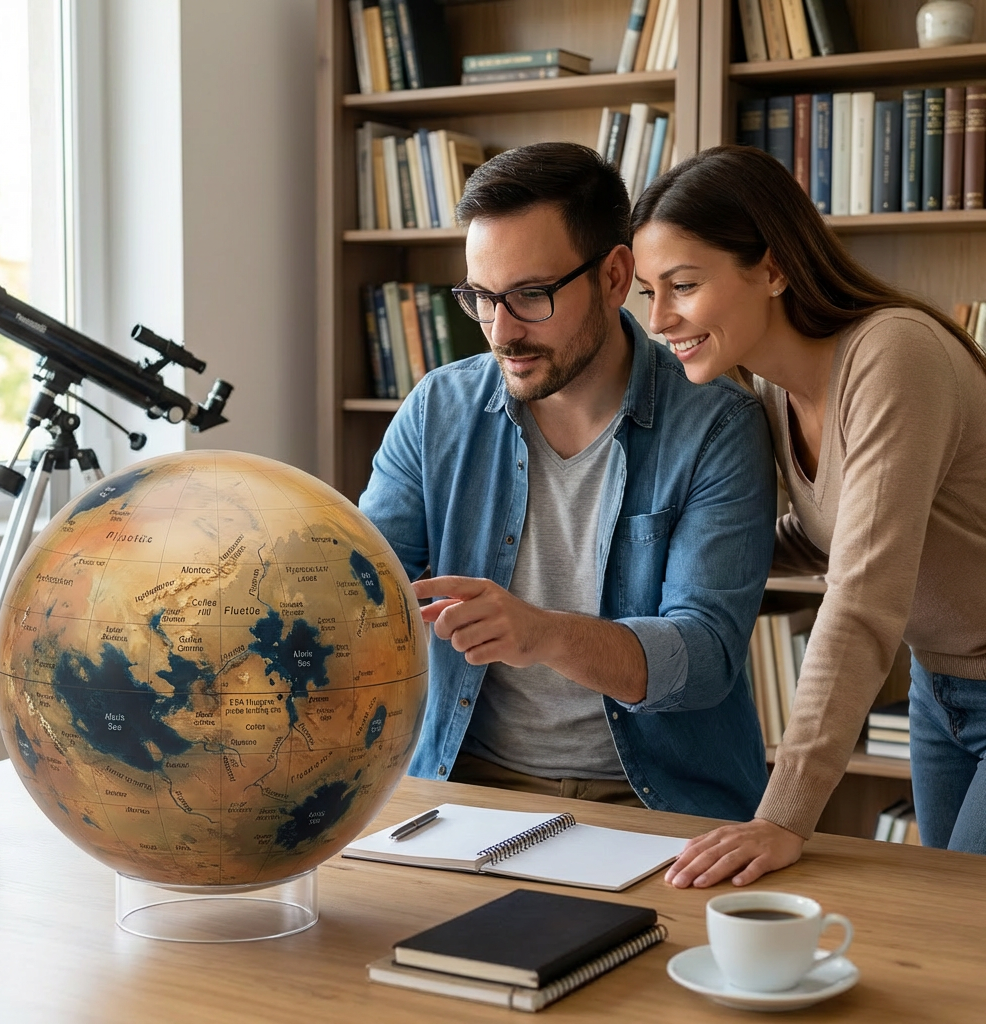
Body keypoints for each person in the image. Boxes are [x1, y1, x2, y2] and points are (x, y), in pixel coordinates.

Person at [358, 141, 777, 820]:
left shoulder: (717, 427)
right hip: (466, 787)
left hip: (658, 802)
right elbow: (362, 584)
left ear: (615, 277)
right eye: (482, 298)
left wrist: (544, 634)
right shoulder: (439, 410)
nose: (501, 331)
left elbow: (704, 655)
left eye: (531, 296)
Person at [631, 145, 986, 886]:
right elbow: (818, 537)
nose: (660, 319)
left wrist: (783, 813)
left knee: (964, 930)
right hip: (941, 684)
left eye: (684, 285)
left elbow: (862, 592)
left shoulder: (893, 355)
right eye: (647, 292)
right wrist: (688, 565)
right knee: (951, 925)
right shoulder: (770, 392)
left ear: (771, 267)